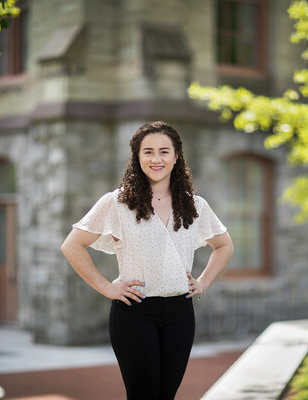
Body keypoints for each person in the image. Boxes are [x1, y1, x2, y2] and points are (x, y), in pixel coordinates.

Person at [61, 121, 234, 400]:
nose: (156, 159)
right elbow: (72, 246)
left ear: (176, 157)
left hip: (180, 313)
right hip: (134, 312)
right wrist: (107, 287)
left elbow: (224, 245)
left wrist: (202, 283)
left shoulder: (195, 206)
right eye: (148, 152)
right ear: (137, 157)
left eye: (164, 152)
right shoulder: (117, 203)